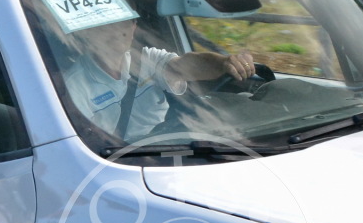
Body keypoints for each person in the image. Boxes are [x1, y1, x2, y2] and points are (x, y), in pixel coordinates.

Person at [62, 14, 256, 142]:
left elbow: (185, 66)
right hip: (118, 161)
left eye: (123, 23)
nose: (117, 32)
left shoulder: (146, 58)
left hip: (166, 146)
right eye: (105, 26)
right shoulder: (73, 85)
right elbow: (85, 144)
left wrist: (224, 63)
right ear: (87, 32)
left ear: (134, 26)